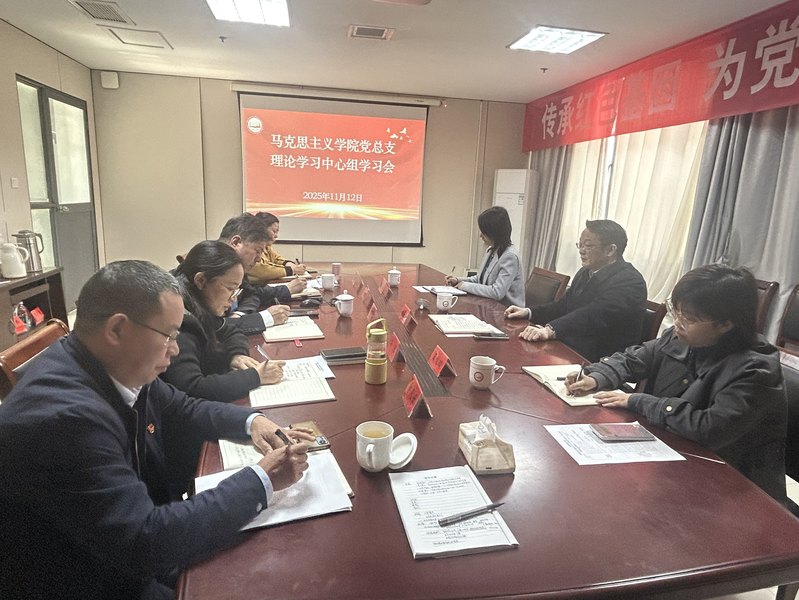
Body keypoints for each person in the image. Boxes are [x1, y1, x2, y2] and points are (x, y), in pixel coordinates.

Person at [0, 260, 311, 600]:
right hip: (91, 579)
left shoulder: (113, 362)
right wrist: (261, 480)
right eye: (169, 336)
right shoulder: (65, 421)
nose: (175, 349)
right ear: (117, 330)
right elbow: (145, 543)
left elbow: (183, 407)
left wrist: (252, 421)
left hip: (126, 550)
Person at [566, 265, 787, 503]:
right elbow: (633, 359)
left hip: (733, 492)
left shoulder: (755, 370)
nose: (678, 322)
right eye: (676, 311)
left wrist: (639, 401)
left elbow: (710, 429)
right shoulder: (680, 337)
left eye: (688, 318)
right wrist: (596, 377)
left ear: (726, 324)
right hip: (670, 462)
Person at [505, 219, 646, 362]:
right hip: (573, 347)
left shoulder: (630, 281)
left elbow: (593, 315)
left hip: (601, 360)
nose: (581, 250)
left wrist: (550, 330)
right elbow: (564, 305)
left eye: (588, 245)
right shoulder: (585, 272)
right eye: (580, 244)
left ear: (610, 250)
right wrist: (529, 312)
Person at [163, 240, 284, 402]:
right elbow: (192, 388)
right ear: (201, 281)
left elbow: (231, 329)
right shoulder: (178, 319)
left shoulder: (198, 303)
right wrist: (255, 376)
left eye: (236, 290)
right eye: (229, 289)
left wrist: (236, 355)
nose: (233, 299)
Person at [216, 212, 305, 333]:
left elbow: (251, 294)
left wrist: (239, 314)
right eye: (257, 251)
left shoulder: (235, 266)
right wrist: (264, 319)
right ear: (236, 242)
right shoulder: (209, 266)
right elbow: (210, 327)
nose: (258, 259)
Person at [445, 206, 524, 307]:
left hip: (505, 311)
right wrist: (458, 280)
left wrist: (465, 286)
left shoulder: (510, 257)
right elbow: (480, 279)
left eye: (484, 232)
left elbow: (497, 292)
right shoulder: (491, 250)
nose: (481, 236)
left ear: (495, 233)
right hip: (487, 305)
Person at [248, 212, 308, 284]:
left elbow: (276, 258)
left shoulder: (267, 247)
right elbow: (261, 269)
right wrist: (292, 270)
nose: (276, 236)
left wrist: (290, 264)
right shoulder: (251, 246)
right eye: (274, 231)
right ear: (262, 230)